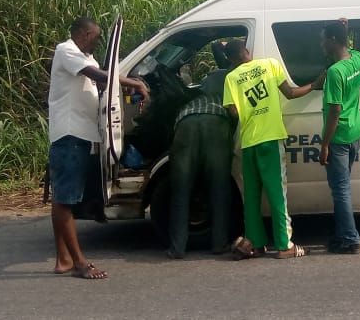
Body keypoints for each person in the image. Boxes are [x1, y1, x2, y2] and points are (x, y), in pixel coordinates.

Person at [48, 16, 148, 280]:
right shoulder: (66, 50)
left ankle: (64, 259)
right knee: (64, 200)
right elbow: (96, 76)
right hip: (69, 134)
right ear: (82, 34)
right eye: (95, 35)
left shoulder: (87, 58)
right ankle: (79, 263)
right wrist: (134, 83)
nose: (98, 40)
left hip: (80, 134)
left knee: (63, 199)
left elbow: (105, 82)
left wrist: (132, 88)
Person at [224, 46, 322, 259]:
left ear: (230, 59)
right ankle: (284, 246)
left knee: (250, 197)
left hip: (249, 142)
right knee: (277, 193)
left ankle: (256, 244)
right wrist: (314, 85)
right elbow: (290, 93)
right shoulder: (270, 64)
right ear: (247, 51)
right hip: (270, 139)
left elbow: (233, 112)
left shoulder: (231, 78)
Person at [166, 40, 246, 259]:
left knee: (181, 189)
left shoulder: (210, 80)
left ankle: (177, 248)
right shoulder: (238, 77)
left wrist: (220, 45)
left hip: (186, 122)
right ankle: (219, 243)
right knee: (219, 187)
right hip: (217, 122)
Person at [319, 19, 360, 255]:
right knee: (344, 186)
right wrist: (344, 27)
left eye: (324, 38)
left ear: (333, 40)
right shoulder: (358, 59)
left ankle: (349, 238)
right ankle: (343, 234)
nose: (322, 43)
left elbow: (334, 110)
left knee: (340, 189)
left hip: (338, 137)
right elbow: (353, 47)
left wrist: (324, 144)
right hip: (355, 131)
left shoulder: (335, 73)